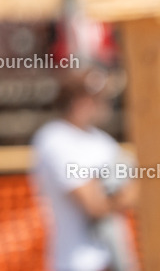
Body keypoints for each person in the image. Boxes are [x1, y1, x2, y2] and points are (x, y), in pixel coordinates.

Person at [31, 67, 138, 271]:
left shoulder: (102, 141)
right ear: (81, 101)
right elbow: (94, 205)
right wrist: (127, 192)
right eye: (98, 98)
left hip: (113, 262)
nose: (104, 104)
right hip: (76, 264)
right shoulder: (54, 139)